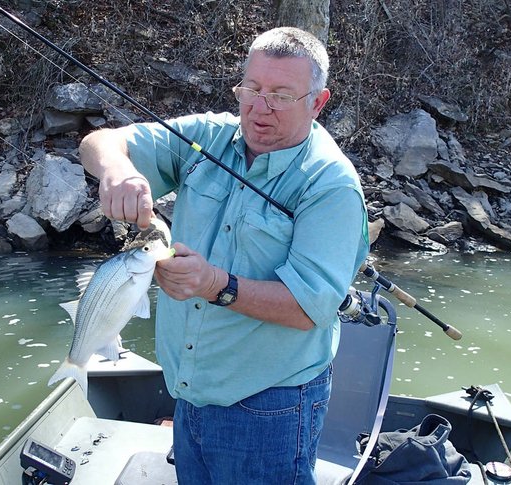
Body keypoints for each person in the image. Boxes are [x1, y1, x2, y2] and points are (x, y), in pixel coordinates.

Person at [78, 26, 368, 484]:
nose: (258, 107)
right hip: (189, 391)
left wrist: (215, 284)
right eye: (251, 88)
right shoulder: (207, 138)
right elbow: (101, 142)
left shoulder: (330, 186)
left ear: (317, 102)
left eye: (280, 95)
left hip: (269, 406)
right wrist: (116, 171)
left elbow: (309, 309)